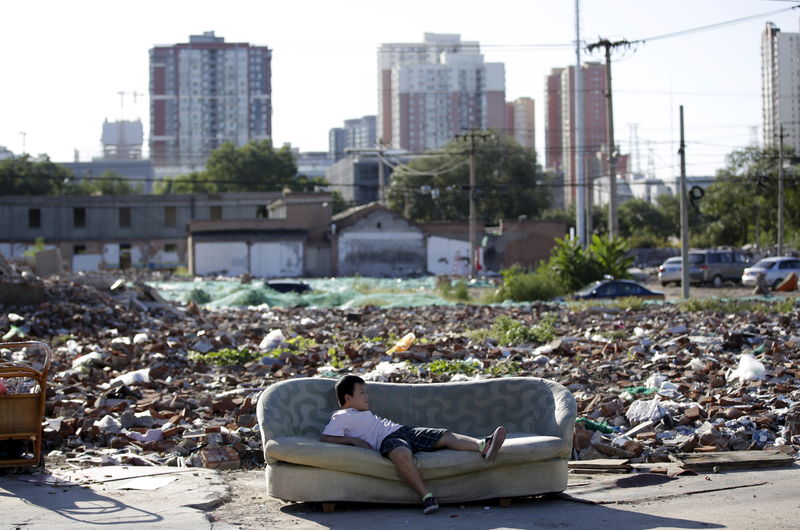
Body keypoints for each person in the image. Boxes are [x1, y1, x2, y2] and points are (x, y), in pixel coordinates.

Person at [320, 374, 506, 515]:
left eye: (365, 392)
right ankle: (426, 497)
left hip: (402, 430)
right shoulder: (341, 416)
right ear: (348, 398)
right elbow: (326, 438)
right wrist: (353, 440)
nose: (367, 397)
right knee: (401, 454)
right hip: (387, 440)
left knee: (444, 434)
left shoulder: (362, 411)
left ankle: (483, 445)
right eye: (362, 393)